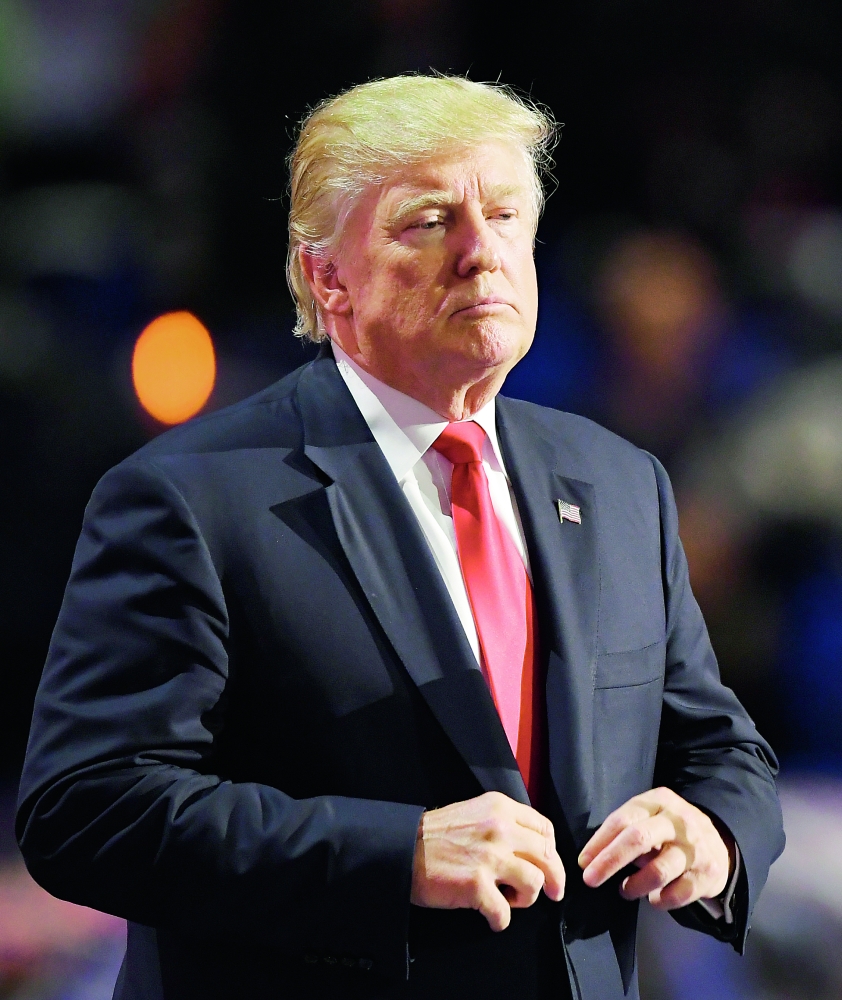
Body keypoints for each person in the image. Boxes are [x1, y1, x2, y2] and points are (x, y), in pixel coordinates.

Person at [16, 75, 784, 1000]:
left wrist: (712, 834)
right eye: (428, 223)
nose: (480, 254)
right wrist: (398, 854)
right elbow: (88, 809)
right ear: (324, 276)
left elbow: (720, 749)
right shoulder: (189, 498)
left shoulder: (621, 483)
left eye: (504, 215)